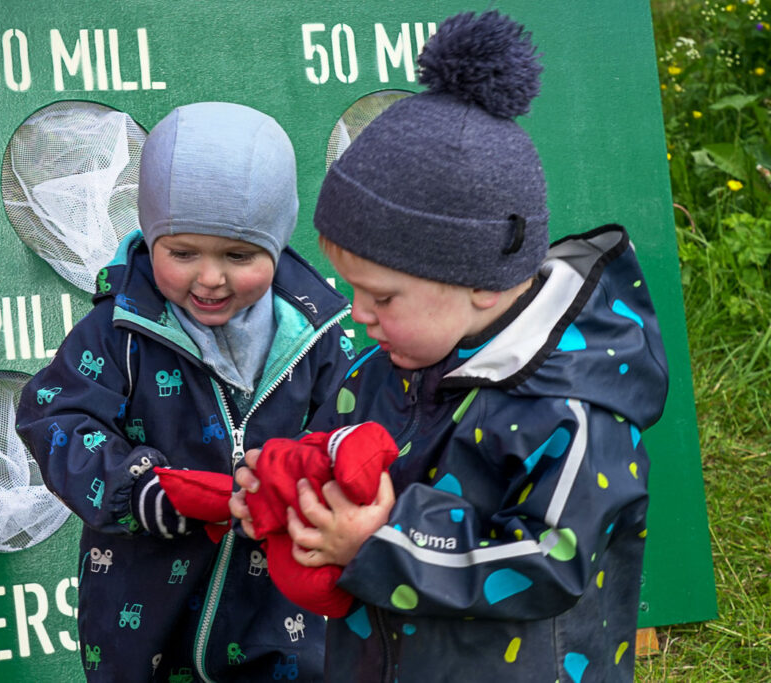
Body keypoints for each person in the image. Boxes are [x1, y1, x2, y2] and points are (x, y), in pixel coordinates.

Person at [230, 11, 669, 682]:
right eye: (352, 289)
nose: (358, 314)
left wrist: (385, 539)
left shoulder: (574, 411)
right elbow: (333, 460)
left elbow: (553, 557)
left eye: (381, 296)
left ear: (480, 286)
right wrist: (288, 489)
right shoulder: (379, 369)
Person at [15, 101, 354, 682]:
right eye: (183, 252)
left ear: (276, 244)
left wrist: (315, 476)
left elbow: (351, 424)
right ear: (150, 237)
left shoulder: (316, 333)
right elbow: (56, 417)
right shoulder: (119, 330)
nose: (211, 278)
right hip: (144, 609)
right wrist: (139, 487)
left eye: (239, 255)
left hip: (278, 609)